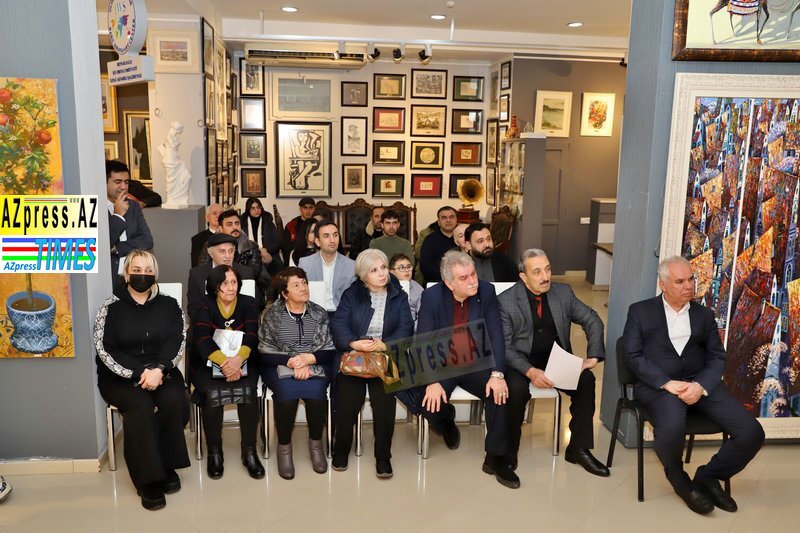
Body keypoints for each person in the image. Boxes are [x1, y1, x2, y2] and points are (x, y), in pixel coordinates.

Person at [622, 256, 765, 515]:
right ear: (663, 284)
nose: (688, 286)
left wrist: (700, 386)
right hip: (659, 388)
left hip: (701, 385)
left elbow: (717, 357)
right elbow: (632, 355)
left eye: (691, 279)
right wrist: (665, 383)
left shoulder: (703, 315)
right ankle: (680, 481)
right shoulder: (640, 312)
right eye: (680, 281)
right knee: (671, 428)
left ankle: (709, 476)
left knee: (752, 432)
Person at [409, 250, 520, 489]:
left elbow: (496, 335)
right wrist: (432, 381)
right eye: (464, 278)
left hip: (476, 361)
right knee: (428, 404)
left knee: (499, 393)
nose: (472, 281)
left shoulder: (486, 291)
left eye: (473, 274)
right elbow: (423, 340)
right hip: (444, 363)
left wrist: (497, 374)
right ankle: (447, 423)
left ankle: (496, 458)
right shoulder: (432, 296)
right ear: (449, 283)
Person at [498, 248, 608, 476]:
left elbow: (592, 319)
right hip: (520, 362)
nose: (545, 277)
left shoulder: (563, 293)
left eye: (547, 269)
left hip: (555, 359)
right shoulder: (506, 301)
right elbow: (505, 347)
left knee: (586, 381)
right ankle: (508, 451)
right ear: (523, 276)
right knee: (515, 391)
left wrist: (593, 356)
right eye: (537, 272)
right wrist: (530, 371)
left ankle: (578, 449)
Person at [94, 250, 189, 511]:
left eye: (148, 270)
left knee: (174, 399)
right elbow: (104, 349)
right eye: (136, 270)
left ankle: (166, 464)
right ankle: (147, 479)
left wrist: (159, 369)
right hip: (119, 376)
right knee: (141, 406)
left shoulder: (170, 305)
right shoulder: (109, 307)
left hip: (162, 370)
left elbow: (177, 339)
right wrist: (139, 373)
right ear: (126, 274)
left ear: (155, 274)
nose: (142, 275)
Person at [330, 249, 414, 478]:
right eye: (374, 270)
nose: (382, 273)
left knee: (384, 404)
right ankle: (341, 449)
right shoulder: (352, 293)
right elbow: (338, 324)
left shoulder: (398, 295)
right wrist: (353, 342)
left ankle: (383, 456)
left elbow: (406, 327)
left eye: (384, 267)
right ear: (363, 276)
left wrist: (385, 344)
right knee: (348, 401)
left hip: (385, 355)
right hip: (355, 356)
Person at [258, 267, 337, 479]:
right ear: (285, 293)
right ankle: (284, 447)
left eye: (304, 283)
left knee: (317, 393)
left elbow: (329, 349)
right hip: (279, 364)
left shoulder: (319, 313)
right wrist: (294, 362)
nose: (303, 288)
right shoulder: (273, 315)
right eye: (296, 285)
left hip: (314, 364)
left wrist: (308, 359)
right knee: (286, 394)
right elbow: (265, 351)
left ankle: (316, 444)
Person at [191, 265, 265, 480]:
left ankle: (249, 452)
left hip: (243, 360)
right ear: (215, 286)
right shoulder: (203, 304)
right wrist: (225, 364)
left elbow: (252, 335)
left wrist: (238, 360)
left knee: (248, 393)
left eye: (234, 282)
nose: (231, 287)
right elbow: (202, 338)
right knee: (213, 395)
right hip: (208, 362)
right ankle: (214, 452)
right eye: (225, 283)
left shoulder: (249, 303)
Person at [187, 233, 254, 320]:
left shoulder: (246, 273)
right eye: (222, 251)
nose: (228, 256)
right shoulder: (197, 274)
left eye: (231, 251)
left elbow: (252, 306)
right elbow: (193, 308)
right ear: (211, 253)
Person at [106, 160, 153, 277]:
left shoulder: (133, 206)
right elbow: (102, 245)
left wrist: (117, 248)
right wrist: (117, 215)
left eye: (126, 182)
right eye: (118, 182)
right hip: (108, 276)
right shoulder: (95, 209)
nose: (123, 187)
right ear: (104, 183)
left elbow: (147, 241)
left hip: (133, 274)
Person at [299, 221, 356, 314]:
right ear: (317, 241)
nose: (332, 240)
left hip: (341, 313)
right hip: (313, 313)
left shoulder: (351, 266)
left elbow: (354, 298)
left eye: (335, 235)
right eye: (326, 236)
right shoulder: (305, 263)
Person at [239, 197, 284, 276]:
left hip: (268, 255)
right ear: (248, 210)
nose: (256, 211)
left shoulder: (268, 222)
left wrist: (265, 250)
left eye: (258, 207)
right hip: (248, 256)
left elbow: (278, 242)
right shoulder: (242, 223)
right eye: (253, 208)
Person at [418, 206, 458, 283]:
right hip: (436, 281)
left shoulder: (463, 238)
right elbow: (425, 266)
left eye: (451, 217)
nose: (448, 220)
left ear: (456, 220)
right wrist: (448, 277)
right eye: (444, 218)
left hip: (460, 280)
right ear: (438, 222)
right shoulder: (430, 239)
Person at [388, 253, 423, 324]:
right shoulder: (385, 287)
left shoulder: (418, 289)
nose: (407, 270)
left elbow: (422, 316)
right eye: (402, 268)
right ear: (391, 272)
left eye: (409, 267)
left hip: (411, 326)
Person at [282, 198, 317, 263]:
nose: (308, 211)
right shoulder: (291, 225)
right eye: (305, 208)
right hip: (295, 258)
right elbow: (286, 248)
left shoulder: (318, 225)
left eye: (310, 208)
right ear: (300, 209)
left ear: (314, 209)